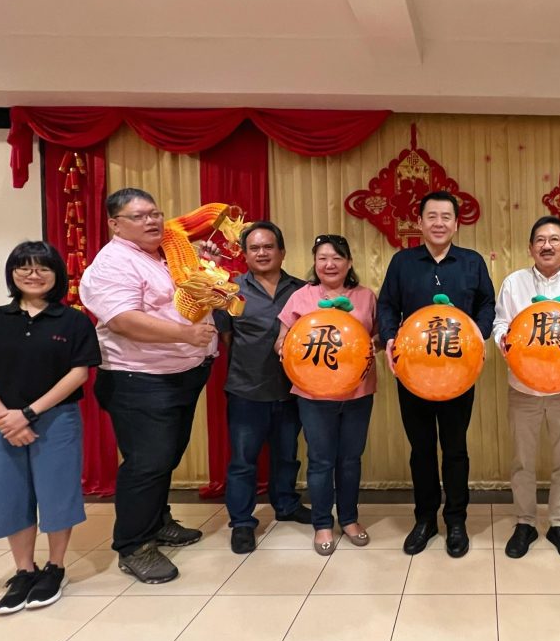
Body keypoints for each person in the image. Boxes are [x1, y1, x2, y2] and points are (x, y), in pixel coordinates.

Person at [0, 241, 101, 614]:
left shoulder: (73, 321)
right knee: (10, 494)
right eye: (25, 267)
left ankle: (55, 567)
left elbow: (79, 374)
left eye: (43, 268)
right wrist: (6, 418)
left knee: (57, 493)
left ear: (57, 275)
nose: (34, 275)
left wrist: (29, 413)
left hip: (56, 420)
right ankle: (24, 569)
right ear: (12, 273)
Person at [80, 187, 217, 584]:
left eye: (155, 213)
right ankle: (133, 545)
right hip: (139, 379)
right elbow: (123, 320)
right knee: (148, 462)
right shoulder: (113, 263)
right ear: (115, 224)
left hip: (181, 373)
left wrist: (205, 268)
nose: (152, 221)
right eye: (138, 216)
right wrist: (185, 334)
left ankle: (157, 521)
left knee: (166, 457)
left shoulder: (166, 253)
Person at [377, 190, 495, 558]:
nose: (439, 223)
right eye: (432, 216)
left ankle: (456, 520)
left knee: (456, 448)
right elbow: (387, 305)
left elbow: (487, 304)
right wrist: (390, 338)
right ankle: (425, 519)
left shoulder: (472, 262)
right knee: (422, 449)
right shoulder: (402, 262)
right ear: (420, 222)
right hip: (413, 373)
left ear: (457, 224)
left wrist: (478, 333)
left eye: (446, 217)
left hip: (459, 372)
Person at [492, 216, 560, 561]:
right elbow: (500, 323)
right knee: (522, 461)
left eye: (554, 239)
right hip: (523, 387)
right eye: (540, 239)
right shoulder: (514, 283)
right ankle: (524, 523)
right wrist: (504, 339)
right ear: (530, 247)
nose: (547, 245)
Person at [212, 221, 310, 556]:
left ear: (282, 252)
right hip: (246, 389)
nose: (262, 253)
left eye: (269, 247)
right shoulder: (231, 290)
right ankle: (242, 522)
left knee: (286, 455)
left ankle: (286, 504)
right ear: (245, 254)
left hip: (292, 389)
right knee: (243, 460)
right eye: (254, 248)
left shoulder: (302, 290)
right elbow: (227, 337)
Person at [276, 234, 378, 555]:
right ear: (315, 262)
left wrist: (365, 345)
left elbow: (376, 338)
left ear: (349, 263)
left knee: (350, 460)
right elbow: (281, 340)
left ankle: (349, 519)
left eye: (337, 257)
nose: (329, 264)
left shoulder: (365, 297)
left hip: (358, 392)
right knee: (320, 461)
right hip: (313, 395)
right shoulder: (301, 297)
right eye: (322, 258)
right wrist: (285, 350)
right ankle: (322, 523)